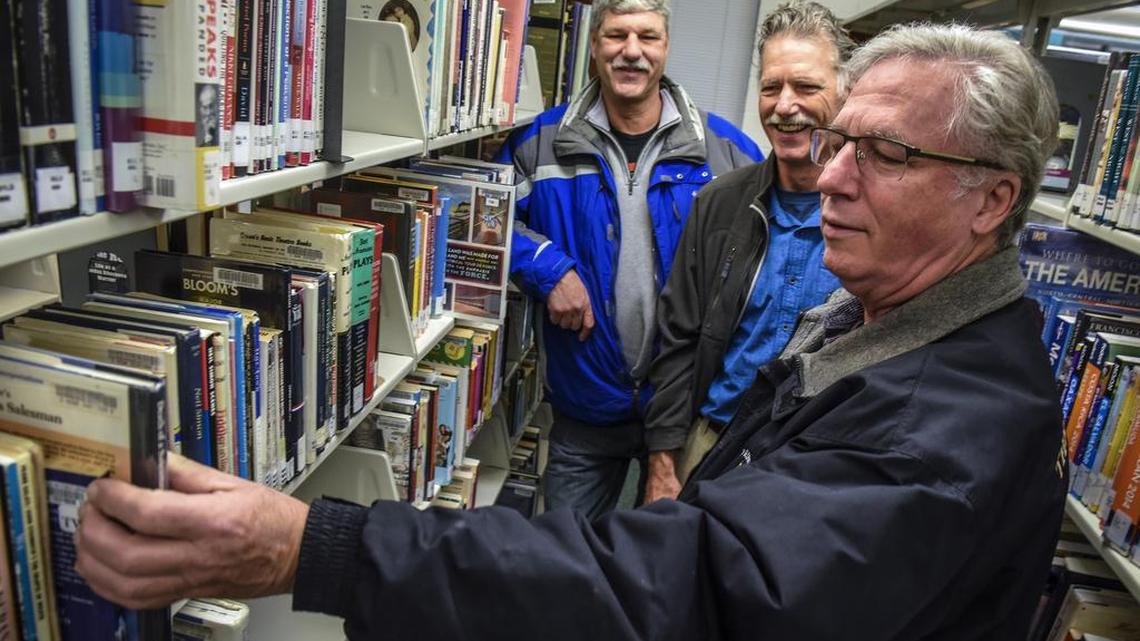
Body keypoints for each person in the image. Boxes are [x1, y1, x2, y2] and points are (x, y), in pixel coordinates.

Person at [75, 23, 1066, 640]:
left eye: (882, 151)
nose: (834, 170)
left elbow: (693, 585)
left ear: (991, 201)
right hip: (590, 400)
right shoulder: (874, 308)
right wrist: (550, 275)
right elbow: (496, 221)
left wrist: (316, 546)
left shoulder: (941, 427)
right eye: (841, 140)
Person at [491, 0, 762, 517]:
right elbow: (482, 219)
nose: (631, 52)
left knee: (663, 567)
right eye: (617, 36)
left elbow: (769, 241)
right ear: (594, 48)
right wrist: (548, 266)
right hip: (585, 408)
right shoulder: (540, 143)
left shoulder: (726, 151)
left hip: (684, 409)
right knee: (563, 560)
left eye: (648, 37)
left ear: (665, 48)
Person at [642, 0, 852, 505]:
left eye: (806, 87)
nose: (784, 105)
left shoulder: (871, 213)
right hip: (709, 446)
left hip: (815, 465)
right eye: (770, 87)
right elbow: (678, 342)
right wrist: (664, 462)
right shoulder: (720, 204)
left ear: (845, 92)